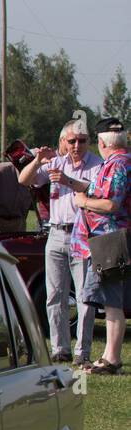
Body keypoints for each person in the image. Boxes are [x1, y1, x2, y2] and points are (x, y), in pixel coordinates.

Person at [18, 119, 104, 363]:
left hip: (82, 235)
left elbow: (95, 190)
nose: (77, 145)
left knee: (85, 296)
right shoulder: (56, 162)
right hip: (56, 234)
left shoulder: (96, 164)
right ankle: (60, 348)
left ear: (88, 142)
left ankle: (82, 352)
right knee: (55, 294)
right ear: (64, 142)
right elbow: (24, 180)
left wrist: (67, 181)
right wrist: (37, 160)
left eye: (82, 141)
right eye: (72, 141)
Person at [71, 119, 129, 376]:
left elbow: (110, 204)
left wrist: (83, 201)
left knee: (111, 299)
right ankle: (107, 356)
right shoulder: (121, 163)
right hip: (110, 240)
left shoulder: (117, 166)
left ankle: (112, 359)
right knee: (109, 300)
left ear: (102, 143)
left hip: (109, 239)